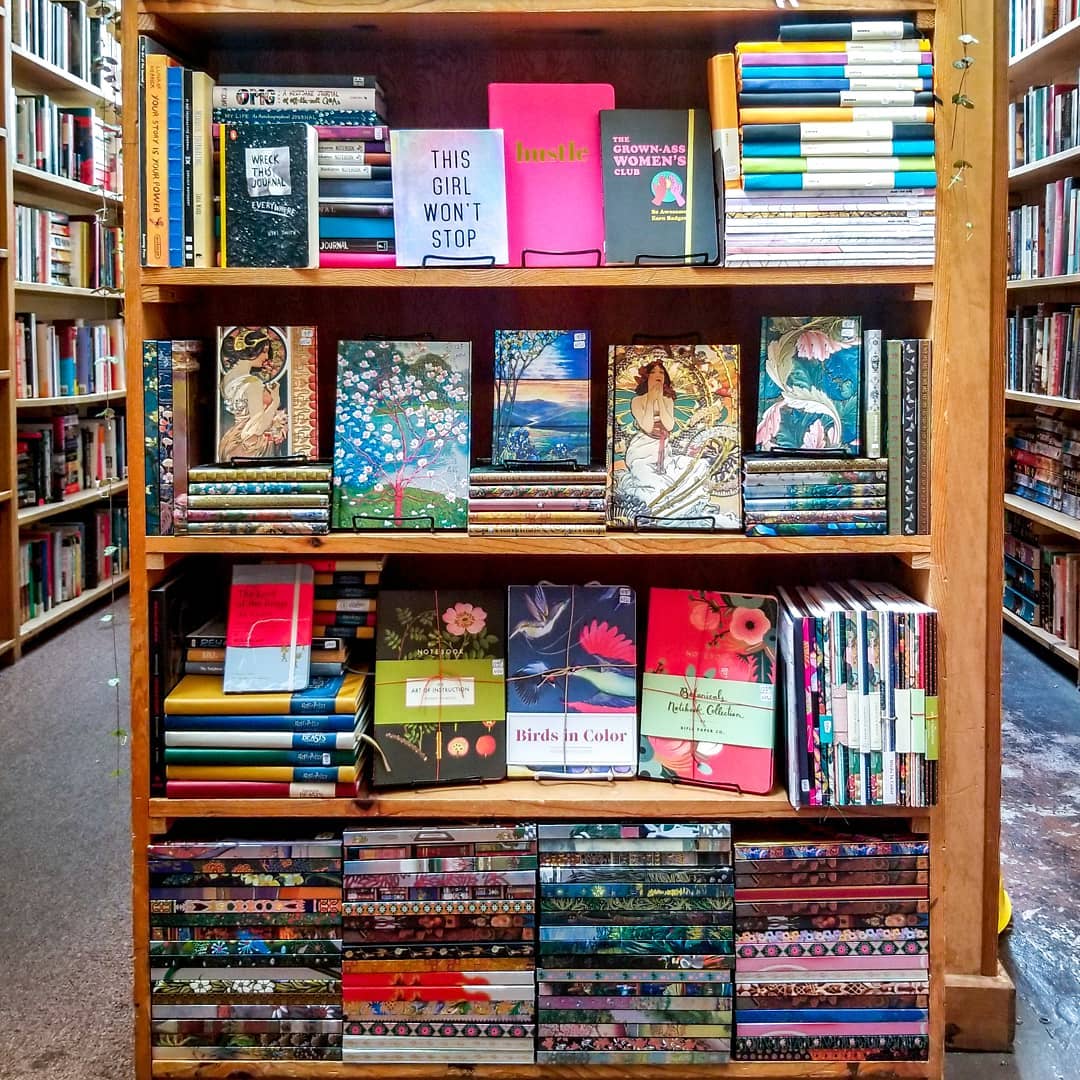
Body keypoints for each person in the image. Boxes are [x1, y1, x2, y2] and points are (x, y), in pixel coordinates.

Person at [627, 359, 677, 475]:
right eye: (653, 372)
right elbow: (647, 427)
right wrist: (650, 400)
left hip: (662, 446)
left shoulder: (667, 400)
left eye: (661, 372)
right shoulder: (637, 401)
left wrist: (659, 398)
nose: (658, 375)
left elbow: (669, 426)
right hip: (642, 447)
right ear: (647, 377)